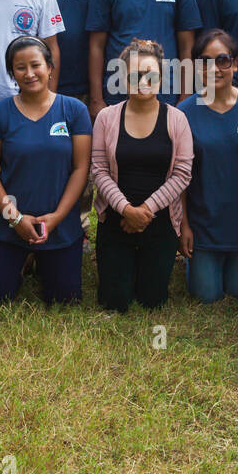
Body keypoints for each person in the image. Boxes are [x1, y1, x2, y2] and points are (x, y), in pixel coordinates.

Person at [0, 37, 91, 304]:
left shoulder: (74, 110)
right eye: (20, 67)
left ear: (50, 67)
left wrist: (58, 216)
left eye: (36, 65)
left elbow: (81, 168)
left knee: (64, 301)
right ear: (12, 73)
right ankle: (23, 256)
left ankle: (40, 259)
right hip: (8, 224)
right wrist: (15, 219)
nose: (29, 73)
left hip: (59, 225)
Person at [91, 40, 194, 312]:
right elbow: (99, 171)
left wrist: (144, 211)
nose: (143, 80)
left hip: (159, 220)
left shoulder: (177, 119)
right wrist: (126, 210)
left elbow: (182, 175)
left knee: (152, 301)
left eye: (151, 74)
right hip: (115, 218)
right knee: (116, 302)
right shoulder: (106, 118)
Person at [178, 30, 238, 302]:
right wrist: (184, 226)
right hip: (203, 228)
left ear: (235, 63)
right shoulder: (185, 113)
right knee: (207, 296)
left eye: (223, 60)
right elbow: (180, 179)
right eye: (205, 61)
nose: (214, 68)